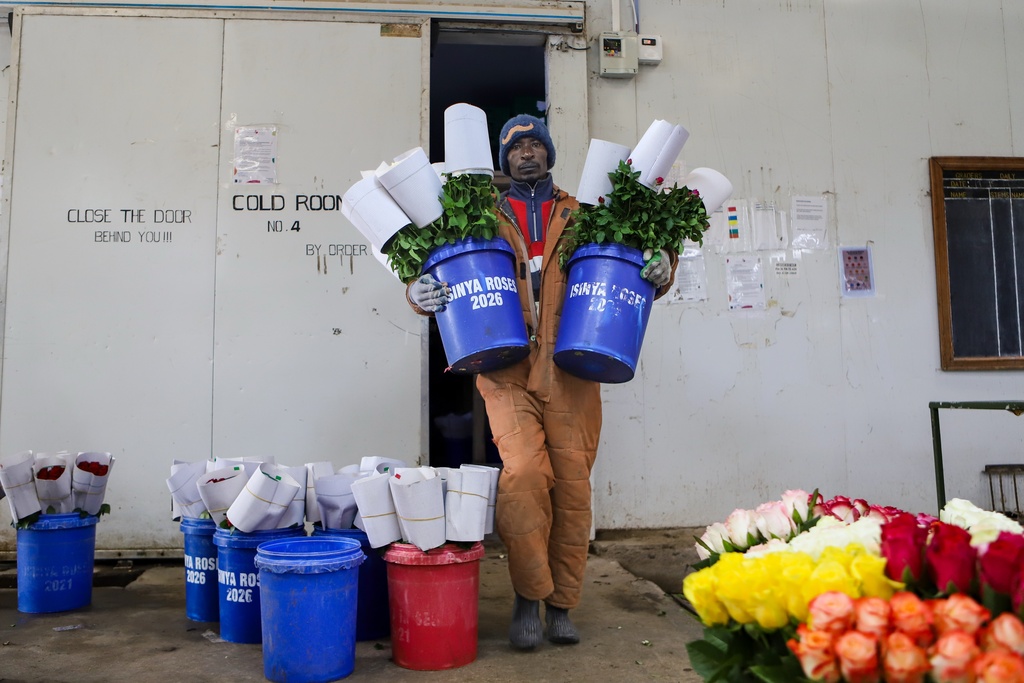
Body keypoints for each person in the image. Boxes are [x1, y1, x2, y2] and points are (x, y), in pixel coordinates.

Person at [408, 114, 676, 650]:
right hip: (506, 372)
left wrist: (663, 265)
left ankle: (561, 605)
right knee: (525, 475)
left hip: (572, 369)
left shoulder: (587, 215)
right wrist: (418, 291)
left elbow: (630, 264)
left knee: (573, 488)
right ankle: (529, 596)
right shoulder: (474, 217)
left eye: (535, 144)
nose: (526, 153)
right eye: (516, 147)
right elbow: (436, 270)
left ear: (549, 153)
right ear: (503, 160)